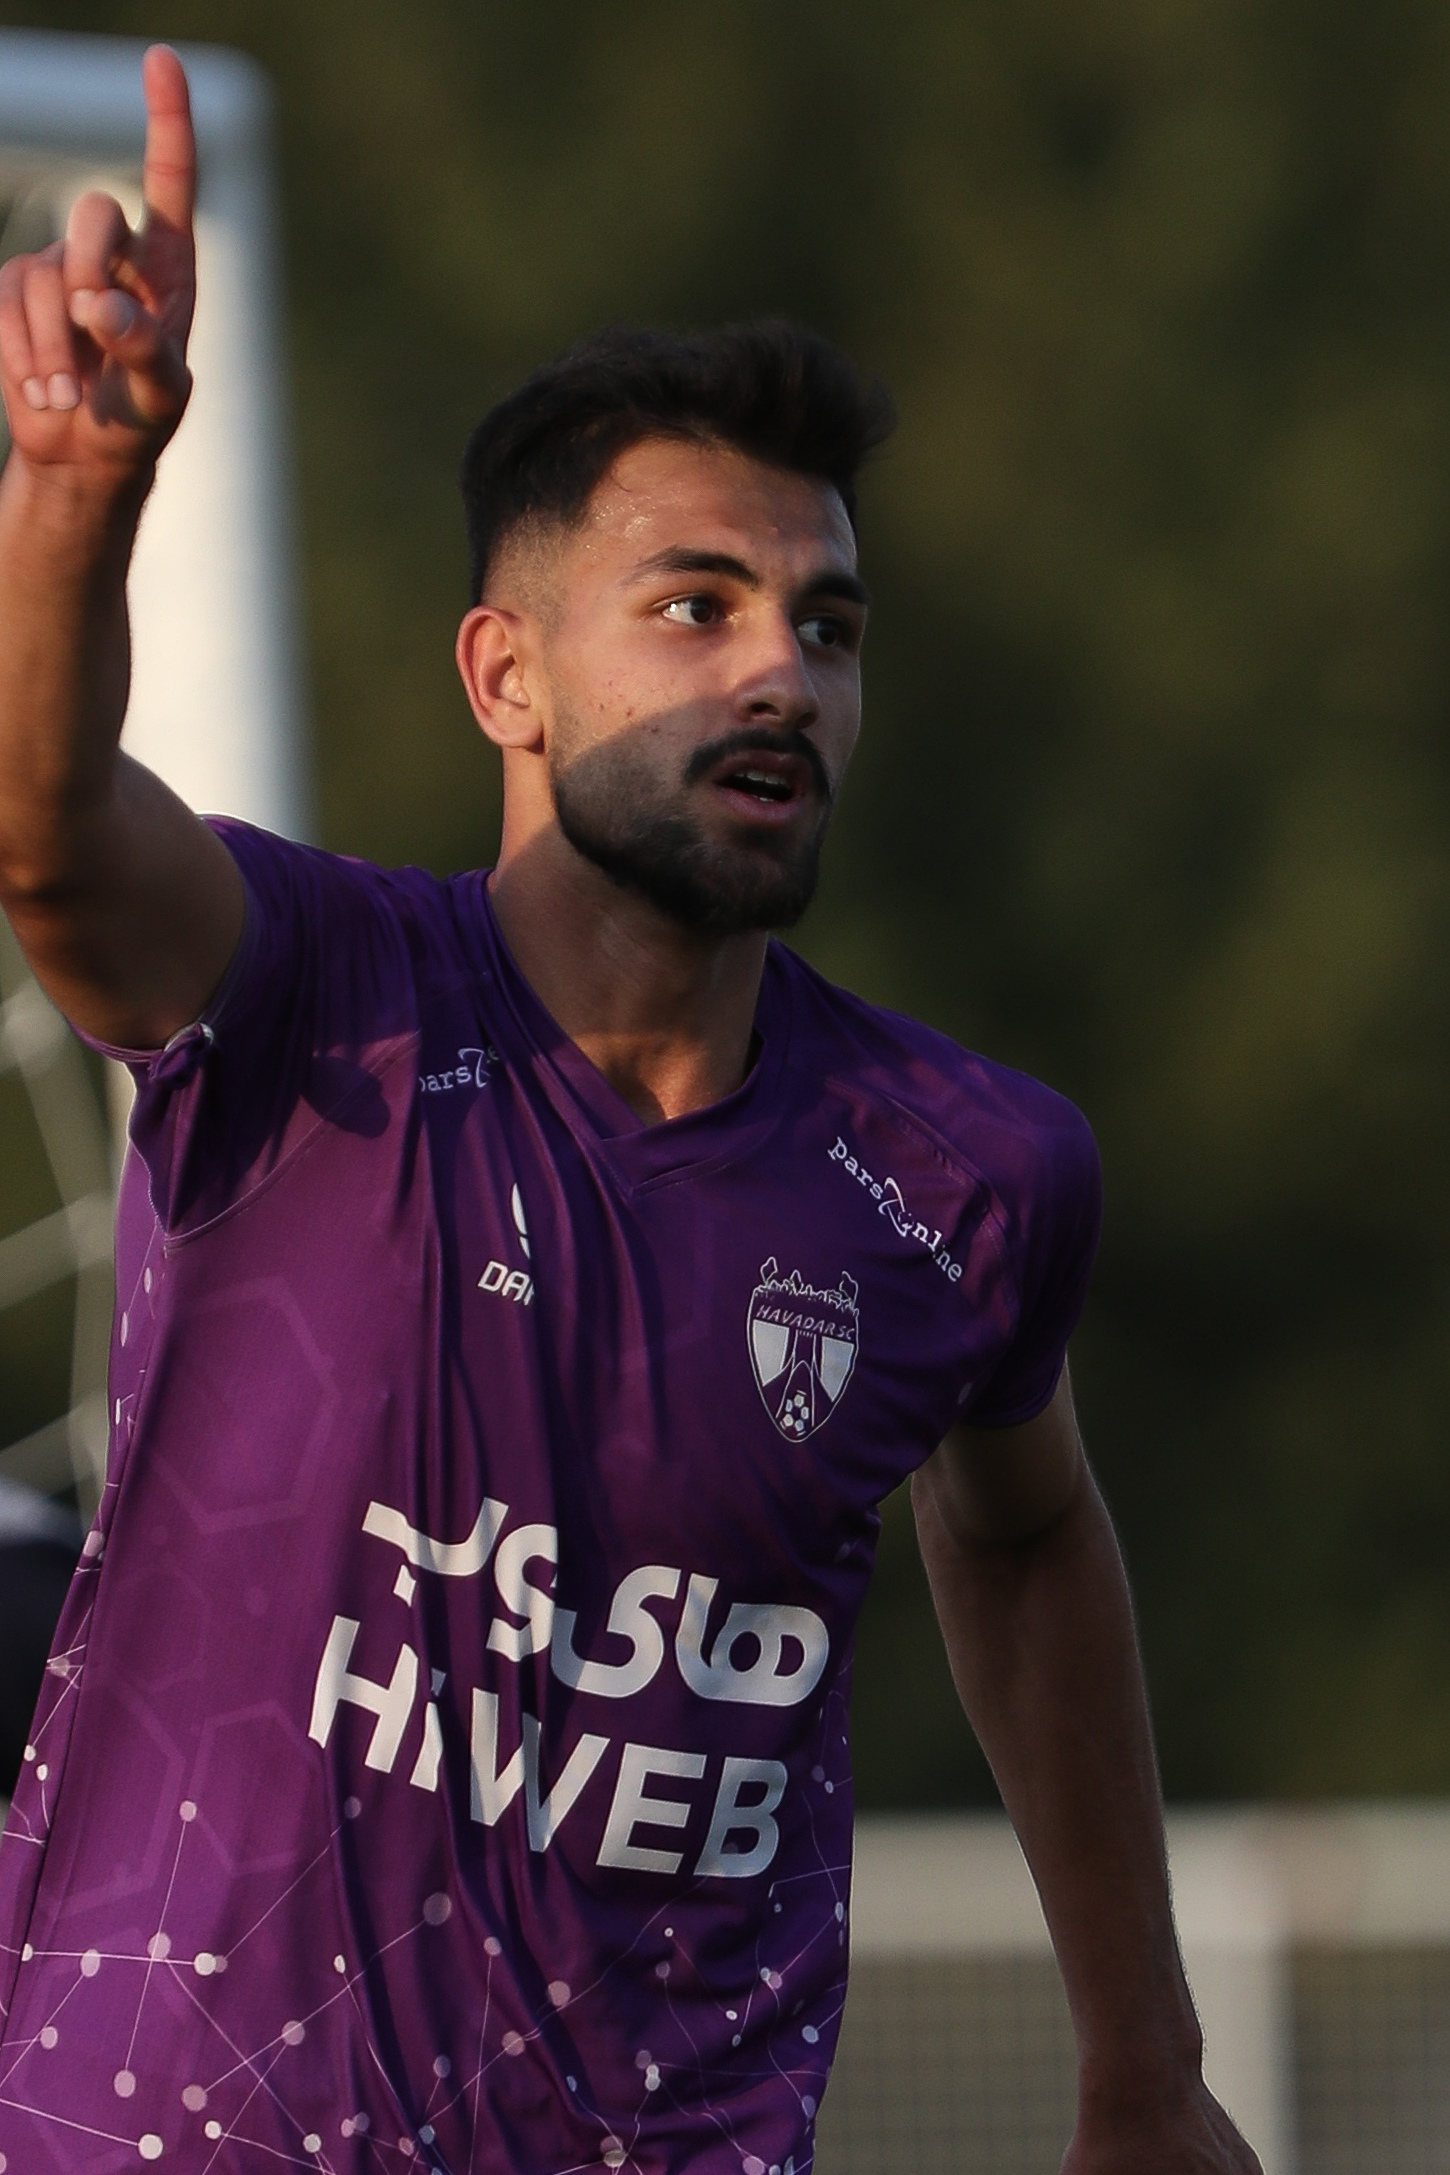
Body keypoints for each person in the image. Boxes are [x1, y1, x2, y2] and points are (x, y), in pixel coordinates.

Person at [0, 44, 1259, 2175]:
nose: (781, 675)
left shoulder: (962, 1171)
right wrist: (72, 498)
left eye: (825, 627)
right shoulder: (310, 995)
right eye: (695, 607)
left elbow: (1028, 1527)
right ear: (504, 674)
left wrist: (1139, 2060)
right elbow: (44, 836)